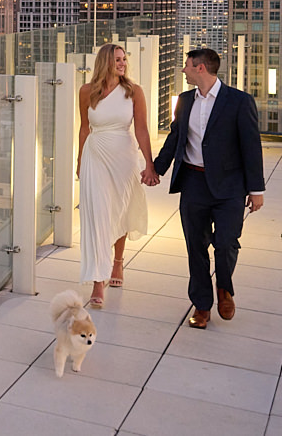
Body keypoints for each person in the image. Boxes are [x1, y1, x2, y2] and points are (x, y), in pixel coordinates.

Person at [154, 48, 265, 329]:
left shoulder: (239, 102)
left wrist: (256, 190)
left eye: (187, 66)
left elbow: (251, 147)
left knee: (226, 242)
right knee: (196, 247)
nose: (183, 70)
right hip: (193, 183)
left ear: (200, 68)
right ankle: (202, 305)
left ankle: (224, 288)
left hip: (229, 187)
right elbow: (175, 138)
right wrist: (156, 168)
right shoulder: (185, 100)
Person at [77, 44, 159, 308]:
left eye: (124, 59)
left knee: (119, 210)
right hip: (95, 156)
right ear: (104, 62)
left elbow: (143, 129)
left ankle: (117, 262)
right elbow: (84, 128)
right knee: (97, 215)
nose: (123, 64)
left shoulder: (134, 92)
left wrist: (149, 163)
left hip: (123, 156)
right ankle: (97, 281)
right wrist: (80, 160)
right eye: (117, 60)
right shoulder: (86, 92)